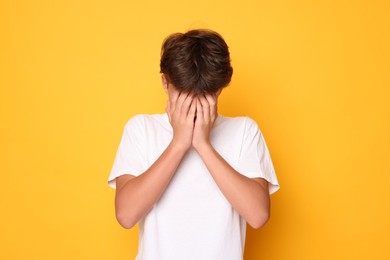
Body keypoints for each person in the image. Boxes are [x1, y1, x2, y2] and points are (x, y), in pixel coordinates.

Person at [107, 29, 280, 260]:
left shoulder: (244, 131)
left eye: (204, 96)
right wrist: (179, 143)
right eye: (184, 96)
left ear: (218, 89)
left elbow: (258, 215)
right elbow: (126, 215)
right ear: (165, 83)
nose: (193, 106)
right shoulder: (141, 129)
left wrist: (203, 144)